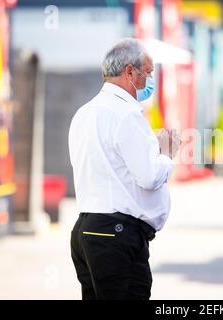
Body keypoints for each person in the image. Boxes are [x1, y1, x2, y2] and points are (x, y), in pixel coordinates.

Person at [68, 38, 180, 300]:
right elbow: (150, 177)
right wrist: (166, 154)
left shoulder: (85, 112)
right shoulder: (125, 113)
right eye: (149, 72)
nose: (151, 79)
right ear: (130, 72)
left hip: (87, 229)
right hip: (115, 233)